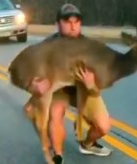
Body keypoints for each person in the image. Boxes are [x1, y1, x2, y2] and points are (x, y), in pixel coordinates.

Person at [24, 3, 112, 164]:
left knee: (104, 126)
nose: (72, 26)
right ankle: (58, 155)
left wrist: (91, 84)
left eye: (76, 22)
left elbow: (99, 83)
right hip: (59, 89)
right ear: (58, 24)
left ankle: (87, 144)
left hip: (83, 88)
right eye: (67, 21)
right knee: (55, 113)